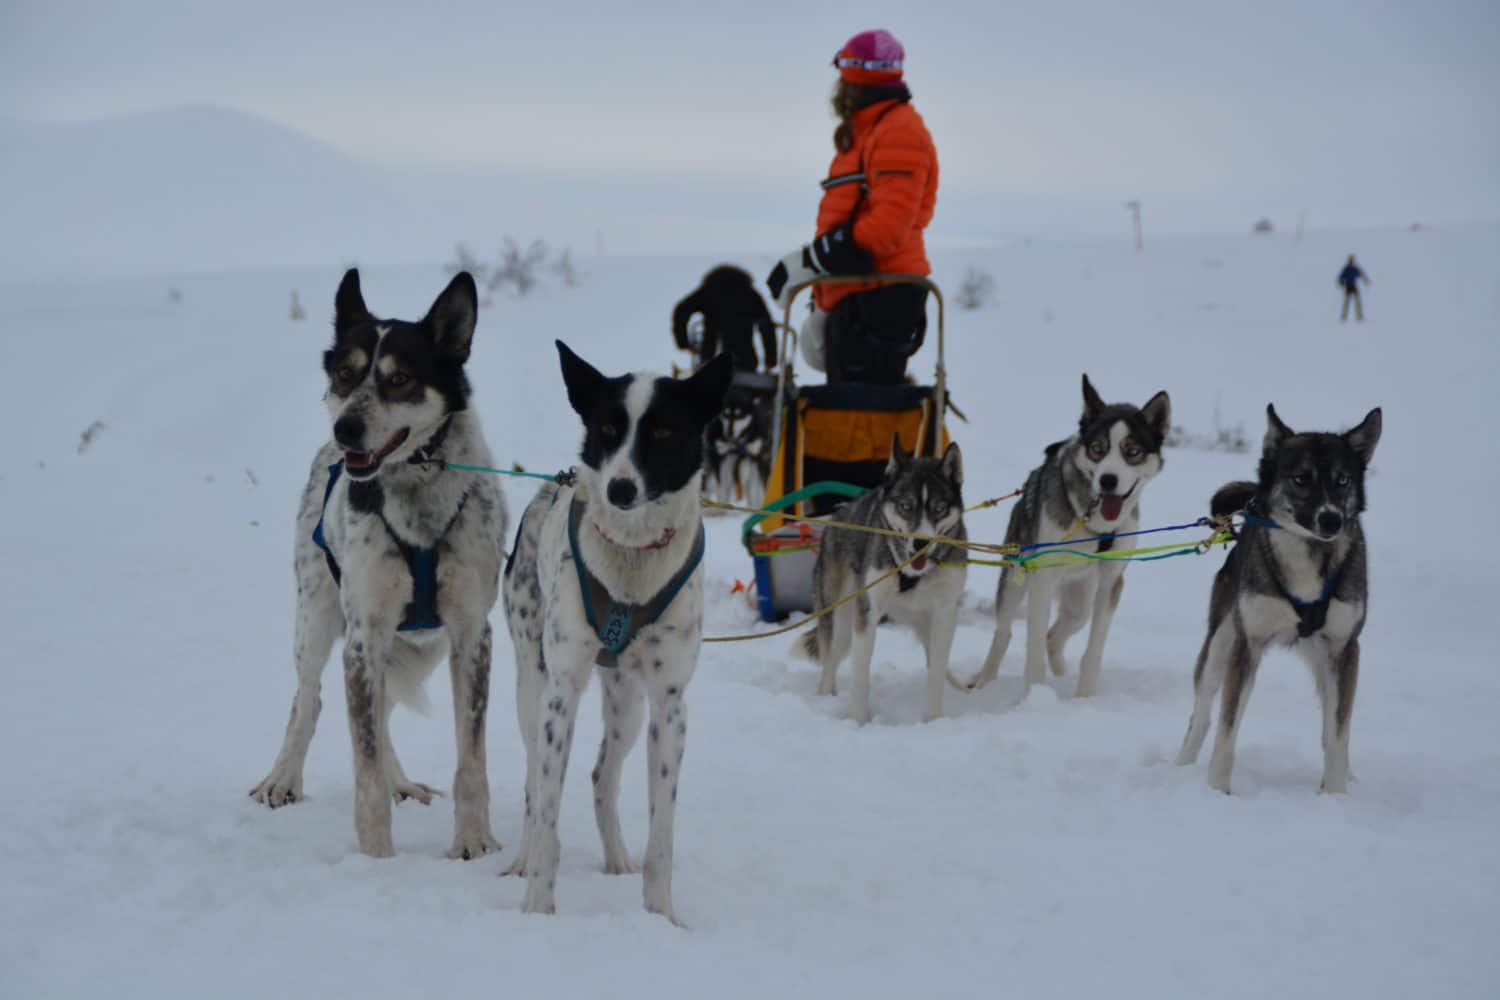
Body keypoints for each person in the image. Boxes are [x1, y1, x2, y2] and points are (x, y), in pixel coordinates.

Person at [766, 29, 939, 385]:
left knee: (862, 427)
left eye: (842, 77)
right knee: (849, 418)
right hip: (861, 299)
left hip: (881, 301)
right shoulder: (871, 131)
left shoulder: (899, 132)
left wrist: (812, 261)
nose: (838, 87)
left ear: (856, 77)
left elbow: (887, 228)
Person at [672, 265, 777, 372]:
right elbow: (766, 326)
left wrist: (683, 343)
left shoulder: (707, 292)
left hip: (711, 355)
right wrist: (771, 359)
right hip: (745, 358)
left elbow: (681, 311)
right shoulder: (751, 295)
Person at [1339, 254, 1370, 322]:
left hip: (1353, 285)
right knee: (1347, 302)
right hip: (1348, 286)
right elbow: (1341, 277)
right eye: (1350, 261)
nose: (1351, 262)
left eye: (1352, 261)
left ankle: (1359, 316)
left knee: (1357, 301)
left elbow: (1361, 274)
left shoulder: (1354, 268)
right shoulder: (1346, 269)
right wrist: (1341, 283)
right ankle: (1344, 316)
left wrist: (1366, 281)